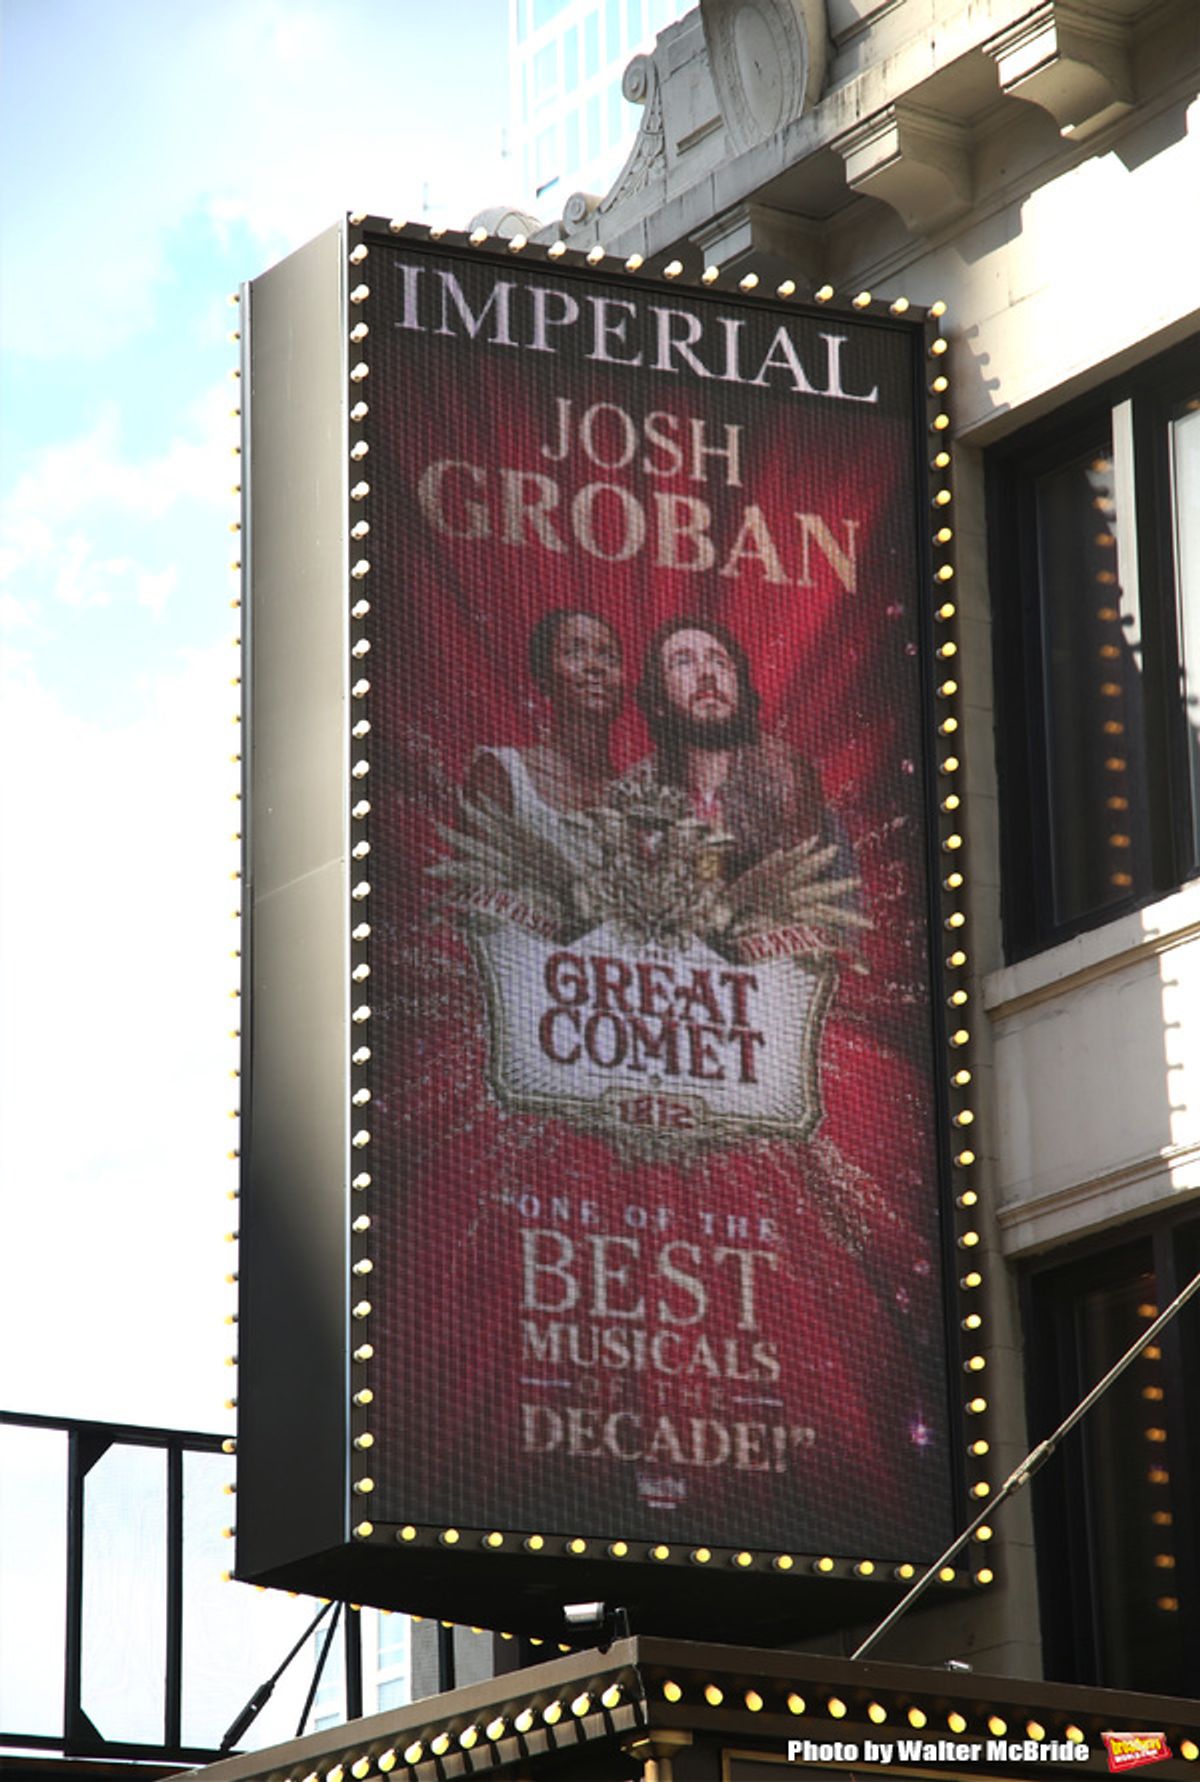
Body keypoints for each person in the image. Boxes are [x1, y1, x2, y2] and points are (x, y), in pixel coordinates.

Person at [630, 616, 837, 879]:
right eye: (683, 661)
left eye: (720, 662)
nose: (707, 673)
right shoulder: (637, 791)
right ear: (658, 699)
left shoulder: (788, 779)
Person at [464, 610, 624, 845]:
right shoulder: (504, 772)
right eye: (574, 653)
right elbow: (473, 875)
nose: (595, 666)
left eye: (609, 658)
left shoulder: (633, 793)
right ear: (544, 679)